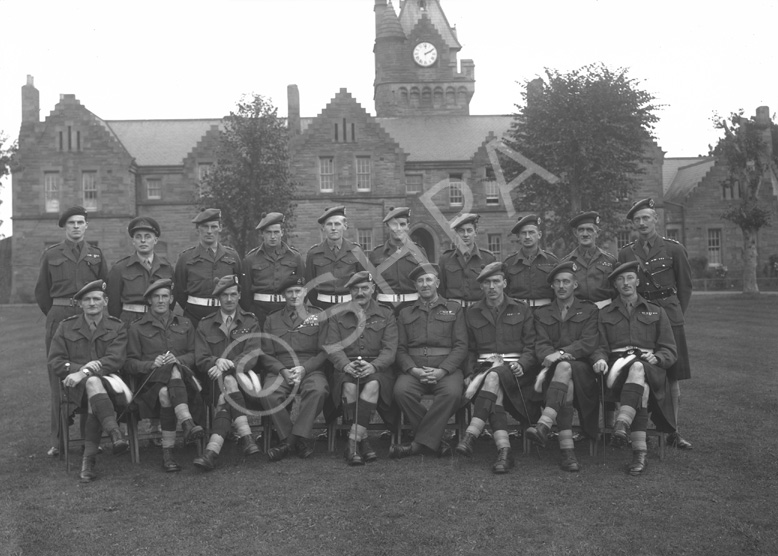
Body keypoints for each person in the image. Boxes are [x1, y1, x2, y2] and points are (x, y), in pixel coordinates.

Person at [617, 198, 693, 449]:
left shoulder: (674, 249)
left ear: (656, 219)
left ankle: (673, 431)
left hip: (670, 318)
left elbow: (685, 287)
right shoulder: (627, 252)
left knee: (672, 376)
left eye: (646, 218)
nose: (641, 223)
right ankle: (629, 425)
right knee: (636, 368)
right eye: (637, 220)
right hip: (639, 317)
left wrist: (674, 315)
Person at [35, 206, 109, 457]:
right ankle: (59, 441)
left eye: (80, 222)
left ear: (86, 225)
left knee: (91, 374)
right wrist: (58, 316)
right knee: (59, 378)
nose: (76, 226)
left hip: (90, 318)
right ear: (65, 227)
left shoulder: (96, 255)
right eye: (71, 223)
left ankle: (92, 437)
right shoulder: (51, 254)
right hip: (59, 318)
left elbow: (103, 289)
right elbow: (42, 293)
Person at [592, 261, 677, 476]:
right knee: (642, 387)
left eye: (629, 278)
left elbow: (669, 349)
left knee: (639, 368)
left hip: (650, 367)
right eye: (620, 279)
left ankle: (622, 425)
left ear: (638, 281)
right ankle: (639, 453)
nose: (626, 283)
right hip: (616, 371)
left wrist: (657, 358)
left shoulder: (656, 312)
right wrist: (600, 359)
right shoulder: (605, 313)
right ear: (615, 285)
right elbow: (599, 347)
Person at [455, 262, 538, 474]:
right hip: (484, 371)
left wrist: (523, 363)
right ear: (481, 287)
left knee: (493, 378)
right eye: (487, 283)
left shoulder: (521, 309)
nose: (492, 287)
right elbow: (470, 350)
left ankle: (471, 433)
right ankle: (504, 451)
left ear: (504, 283)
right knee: (494, 387)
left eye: (496, 281)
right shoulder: (472, 312)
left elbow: (531, 346)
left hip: (517, 372)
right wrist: (468, 373)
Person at [48, 280, 129, 482]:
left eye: (96, 299)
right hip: (76, 391)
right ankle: (114, 433)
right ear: (80, 304)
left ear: (105, 301)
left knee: (95, 385)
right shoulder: (66, 327)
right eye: (87, 300)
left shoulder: (117, 327)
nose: (92, 303)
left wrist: (83, 371)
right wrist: (81, 373)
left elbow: (116, 359)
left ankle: (88, 461)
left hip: (111, 386)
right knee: (94, 387)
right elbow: (55, 361)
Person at [525, 261, 600, 472]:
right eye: (557, 282)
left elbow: (588, 342)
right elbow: (540, 344)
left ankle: (545, 424)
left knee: (566, 368)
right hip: (551, 372)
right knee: (566, 382)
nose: (561, 286)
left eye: (566, 281)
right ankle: (567, 452)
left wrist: (559, 354)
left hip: (583, 369)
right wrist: (554, 357)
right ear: (552, 286)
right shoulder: (542, 313)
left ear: (575, 285)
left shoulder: (589, 310)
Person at [124, 279, 205, 472]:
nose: (161, 300)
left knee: (169, 386)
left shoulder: (185, 323)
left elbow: (195, 354)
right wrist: (151, 364)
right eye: (156, 297)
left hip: (185, 384)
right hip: (150, 384)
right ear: (149, 301)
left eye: (165, 296)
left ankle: (168, 454)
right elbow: (129, 362)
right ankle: (186, 422)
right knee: (164, 386)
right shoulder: (137, 327)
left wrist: (178, 359)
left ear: (171, 300)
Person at [390, 263, 467, 459]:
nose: (425, 284)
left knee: (452, 394)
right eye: (420, 281)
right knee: (401, 391)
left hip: (446, 369)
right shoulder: (405, 313)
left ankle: (418, 444)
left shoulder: (453, 309)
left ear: (437, 283)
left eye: (429, 280)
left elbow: (461, 346)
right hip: (415, 369)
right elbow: (400, 349)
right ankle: (436, 440)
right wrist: (413, 370)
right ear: (415, 286)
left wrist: (443, 370)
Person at [324, 271, 398, 466]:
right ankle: (362, 441)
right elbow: (332, 347)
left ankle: (352, 444)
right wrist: (346, 365)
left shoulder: (386, 313)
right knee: (349, 388)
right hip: (346, 366)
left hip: (378, 368)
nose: (360, 292)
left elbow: (390, 349)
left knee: (372, 384)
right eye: (355, 289)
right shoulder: (337, 314)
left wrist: (373, 366)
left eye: (365, 288)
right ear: (350, 291)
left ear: (373, 289)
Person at [192, 275, 263, 471]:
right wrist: (216, 361)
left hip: (244, 379)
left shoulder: (250, 322)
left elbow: (252, 354)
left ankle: (211, 452)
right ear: (218, 298)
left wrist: (228, 364)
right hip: (213, 380)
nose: (229, 299)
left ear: (240, 295)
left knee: (229, 385)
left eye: (233, 294)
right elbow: (201, 358)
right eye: (225, 295)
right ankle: (246, 438)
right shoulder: (205, 324)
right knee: (226, 390)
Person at [259, 277, 329, 462]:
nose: (294, 295)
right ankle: (297, 440)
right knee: (268, 393)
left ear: (305, 292)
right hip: (280, 369)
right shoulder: (272, 319)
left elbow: (324, 352)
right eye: (289, 292)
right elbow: (266, 353)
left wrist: (304, 369)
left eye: (298, 291)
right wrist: (282, 370)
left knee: (318, 390)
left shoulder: (318, 315)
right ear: (283, 295)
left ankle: (288, 442)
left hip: (310, 368)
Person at [174, 208, 242, 326]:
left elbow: (241, 287)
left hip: (225, 316)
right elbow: (180, 292)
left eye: (213, 226)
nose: (209, 231)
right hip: (195, 318)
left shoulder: (232, 256)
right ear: (198, 229)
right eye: (205, 226)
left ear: (220, 228)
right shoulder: (186, 258)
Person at [107, 216, 175, 326]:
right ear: (133, 241)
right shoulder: (120, 268)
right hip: (130, 321)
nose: (143, 240)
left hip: (159, 320)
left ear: (156, 240)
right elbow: (113, 305)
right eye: (138, 237)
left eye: (148, 237)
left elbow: (172, 298)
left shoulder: (166, 267)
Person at [241, 212, 304, 329]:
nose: (273, 236)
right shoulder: (250, 259)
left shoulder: (295, 257)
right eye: (268, 232)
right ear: (262, 234)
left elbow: (303, 287)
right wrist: (251, 312)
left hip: (286, 309)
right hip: (259, 311)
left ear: (282, 233)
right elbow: (245, 293)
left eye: (276, 232)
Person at [368, 207, 428, 314]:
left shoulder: (419, 252)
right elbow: (370, 287)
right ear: (388, 226)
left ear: (408, 226)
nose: (398, 228)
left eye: (402, 224)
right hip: (385, 309)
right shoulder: (376, 254)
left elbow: (426, 282)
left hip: (413, 308)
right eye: (394, 224)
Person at [304, 206, 364, 310]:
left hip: (349, 306)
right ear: (323, 227)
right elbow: (309, 286)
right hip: (322, 307)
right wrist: (318, 306)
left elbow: (363, 281)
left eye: (337, 224)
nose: (333, 228)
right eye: (329, 224)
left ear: (345, 226)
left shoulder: (356, 251)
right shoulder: (313, 253)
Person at [438, 213, 496, 308]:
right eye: (461, 231)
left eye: (469, 231)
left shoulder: (488, 259)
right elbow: (441, 289)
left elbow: (493, 288)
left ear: (475, 232)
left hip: (480, 311)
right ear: (456, 234)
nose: (465, 235)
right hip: (454, 312)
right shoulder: (445, 259)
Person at [562, 211, 617, 308]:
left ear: (598, 233)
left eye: (589, 230)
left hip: (605, 312)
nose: (585, 234)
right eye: (581, 230)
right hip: (577, 313)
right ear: (575, 233)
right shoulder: (566, 262)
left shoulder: (610, 261)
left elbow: (617, 290)